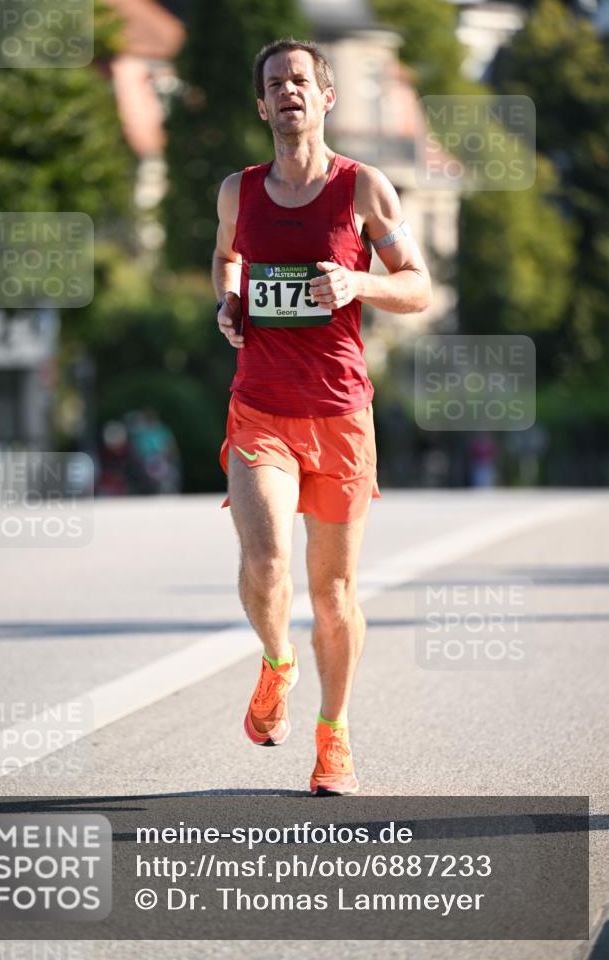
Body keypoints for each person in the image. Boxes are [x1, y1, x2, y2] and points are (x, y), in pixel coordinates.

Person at [212, 39, 431, 795]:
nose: (287, 92)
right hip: (260, 410)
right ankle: (277, 662)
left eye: (299, 80)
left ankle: (332, 734)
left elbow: (419, 286)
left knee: (332, 593)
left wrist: (355, 283)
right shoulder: (238, 192)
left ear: (325, 97)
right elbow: (225, 258)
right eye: (274, 84)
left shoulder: (363, 189)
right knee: (265, 562)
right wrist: (228, 300)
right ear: (261, 105)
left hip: (339, 412)